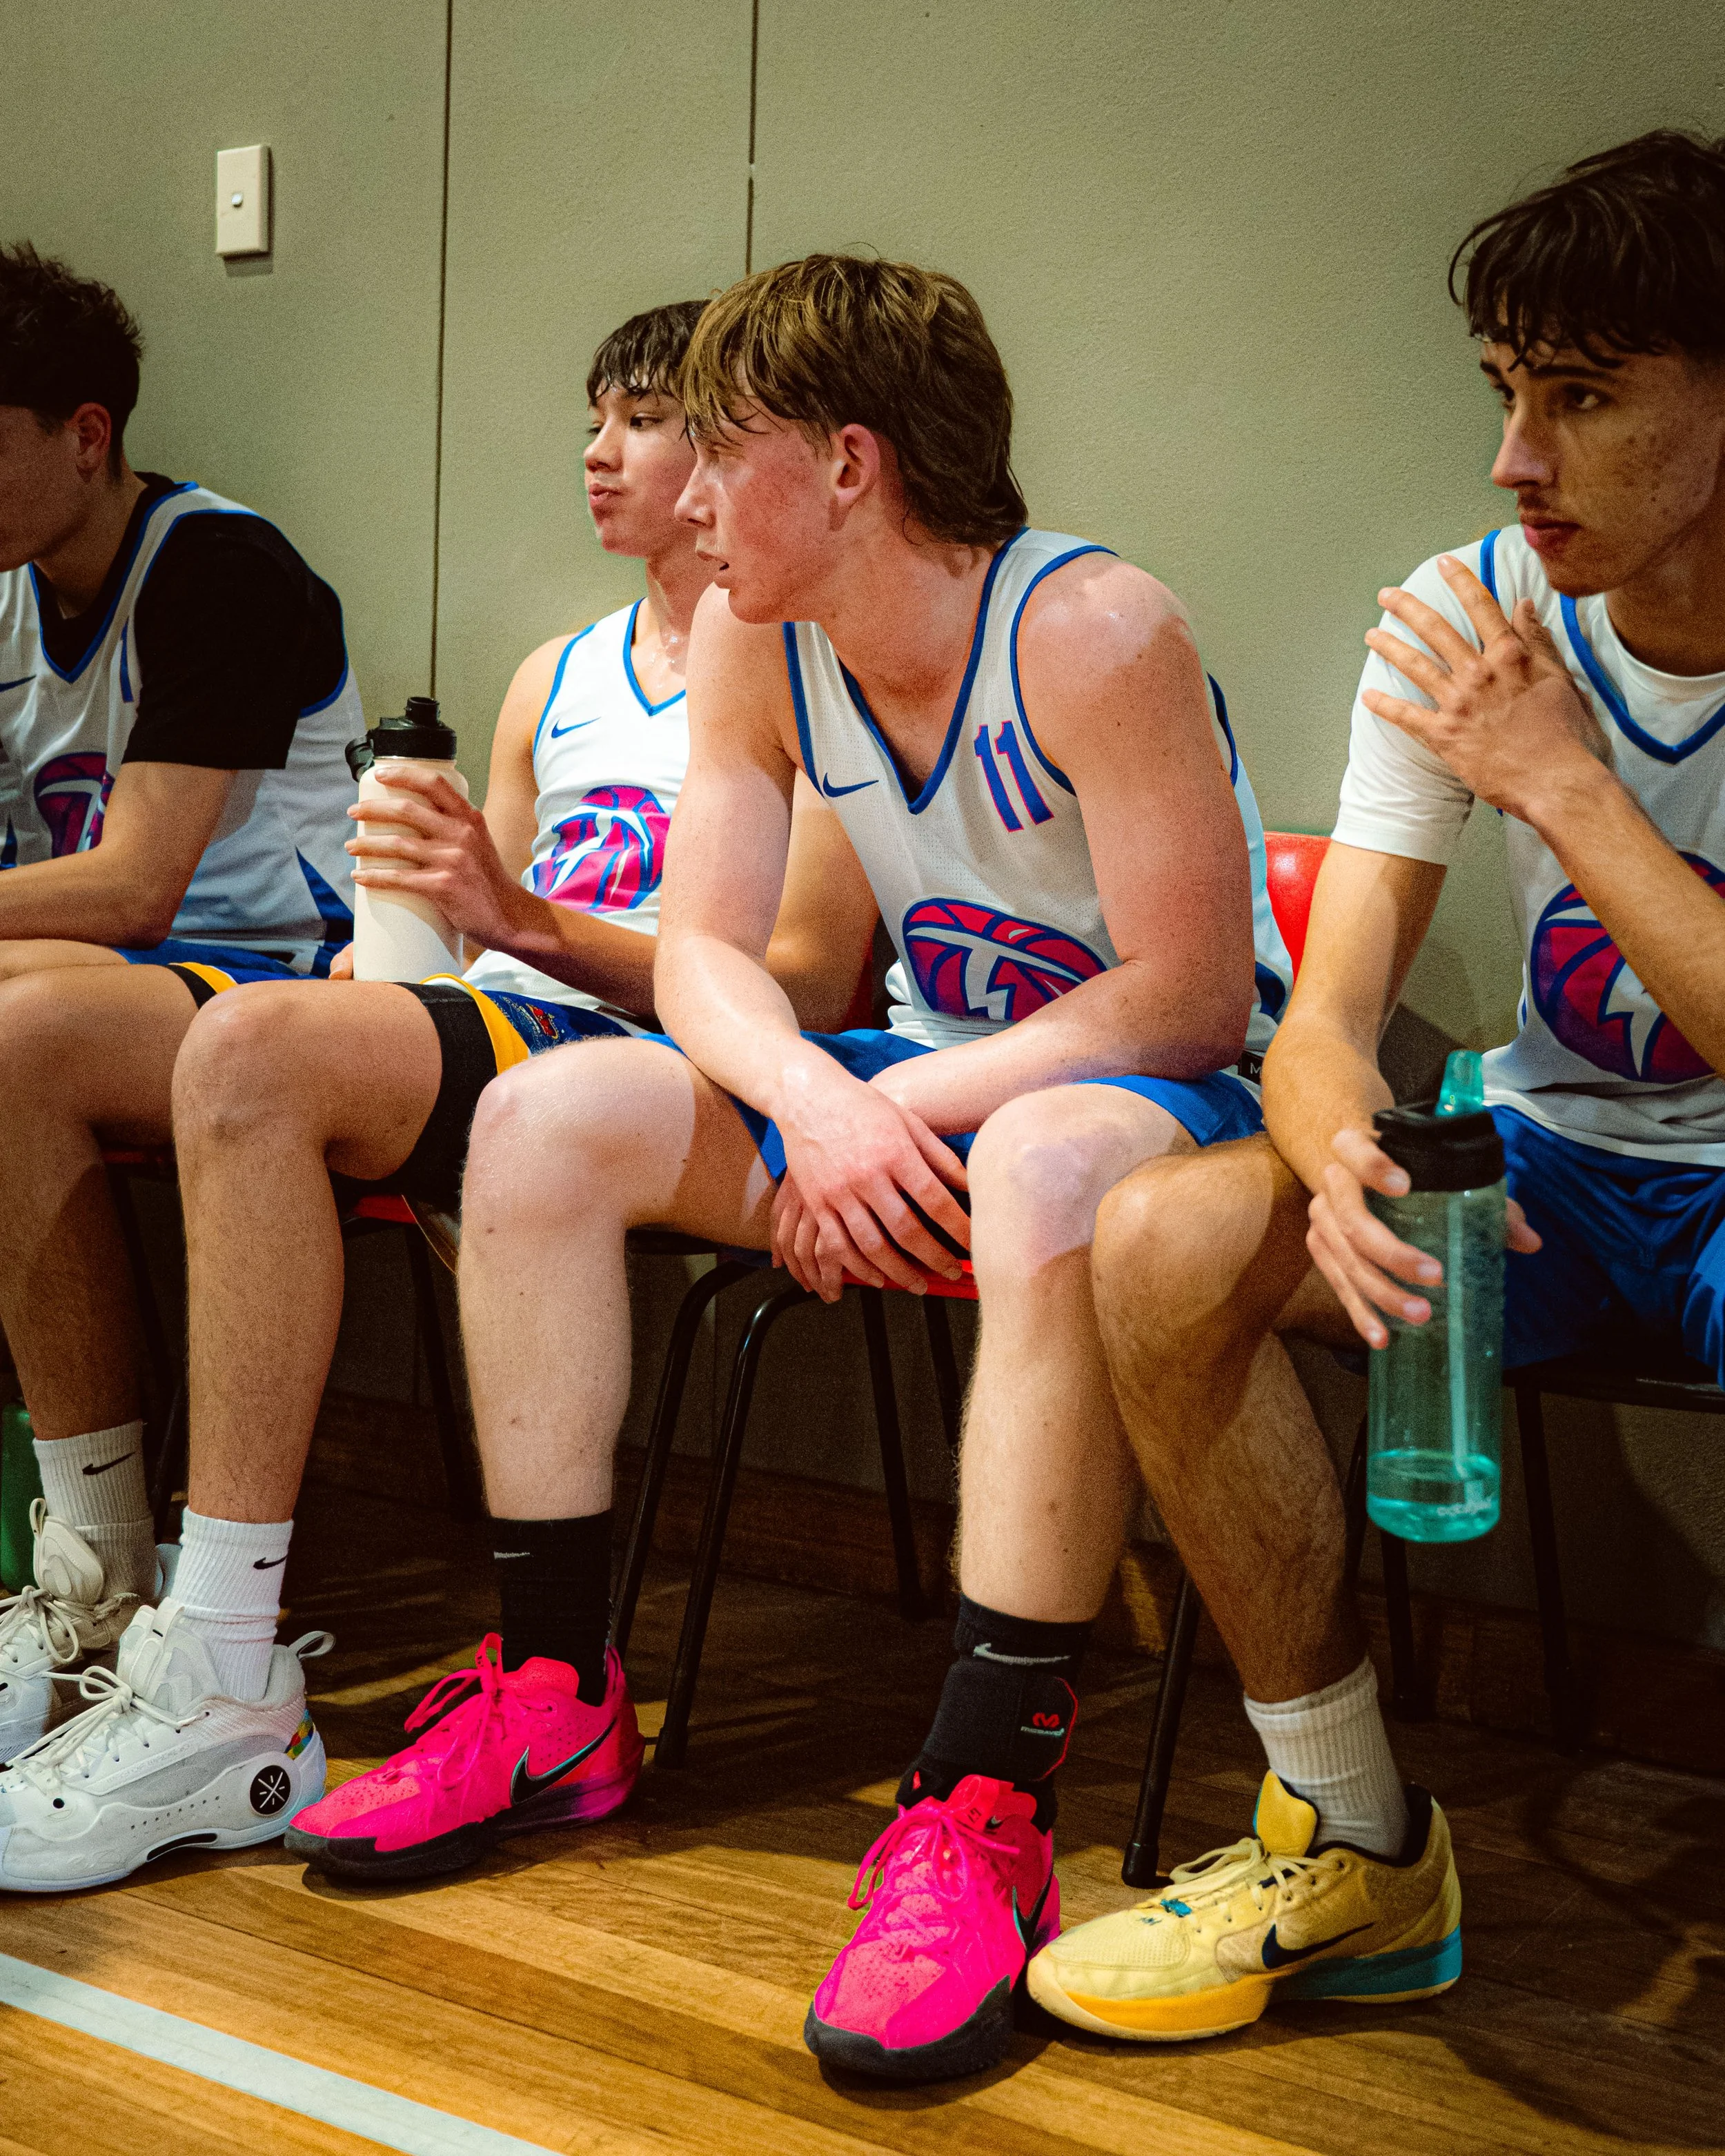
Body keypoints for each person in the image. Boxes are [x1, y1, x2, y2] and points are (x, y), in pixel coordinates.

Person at [277, 253, 1294, 2085]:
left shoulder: (1093, 626)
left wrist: (895, 1103)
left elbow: (1188, 996)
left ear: (848, 462)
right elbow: (703, 958)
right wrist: (823, 1106)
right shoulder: (763, 633)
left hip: (1151, 1105)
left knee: (1050, 1156)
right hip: (920, 1095)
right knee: (543, 1118)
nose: (678, 492)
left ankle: (979, 1798)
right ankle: (552, 1687)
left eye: (719, 449)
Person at [0, 297, 870, 1891]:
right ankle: (112, 1586)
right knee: (83, 1049)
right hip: (492, 1022)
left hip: (654, 1056)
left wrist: (515, 920)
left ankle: (222, 1660)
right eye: (592, 417)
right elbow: (465, 928)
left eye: (648, 420)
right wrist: (437, 929)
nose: (601, 454)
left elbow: (802, 974)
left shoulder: (820, 669)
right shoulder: (555, 673)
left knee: (252, 1048)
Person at [1027, 128, 1725, 2047]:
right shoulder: (1466, 607)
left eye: (1580, 399)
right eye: (1506, 392)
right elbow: (1326, 1014)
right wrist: (1326, 1153)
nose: (1516, 458)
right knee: (1170, 1235)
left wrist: (1565, 781)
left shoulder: (1525, 688)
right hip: (1545, 1162)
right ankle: (1351, 1836)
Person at [0, 241, 358, 1761]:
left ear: (87, 435)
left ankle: (105, 1561)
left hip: (280, 985)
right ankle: (83, 1560)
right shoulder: (7, 595)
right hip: (106, 988)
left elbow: (141, 883)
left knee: (15, 1033)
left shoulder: (218, 565)